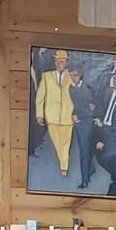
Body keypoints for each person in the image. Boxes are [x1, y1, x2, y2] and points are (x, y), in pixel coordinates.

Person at [33, 48, 74, 177]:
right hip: (52, 116)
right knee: (57, 143)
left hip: (68, 117)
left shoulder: (72, 76)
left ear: (66, 62)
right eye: (57, 61)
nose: (59, 63)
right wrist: (39, 114)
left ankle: (64, 166)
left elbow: (77, 96)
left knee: (66, 144)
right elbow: (40, 97)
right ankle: (62, 160)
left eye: (61, 61)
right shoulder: (47, 76)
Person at [67, 64, 102, 190]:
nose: (73, 78)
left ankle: (87, 175)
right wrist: (73, 115)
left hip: (90, 122)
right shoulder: (70, 88)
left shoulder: (88, 87)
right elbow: (71, 105)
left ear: (80, 75)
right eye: (70, 75)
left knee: (86, 150)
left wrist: (94, 114)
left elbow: (96, 104)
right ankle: (87, 175)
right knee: (84, 150)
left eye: (75, 75)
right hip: (79, 123)